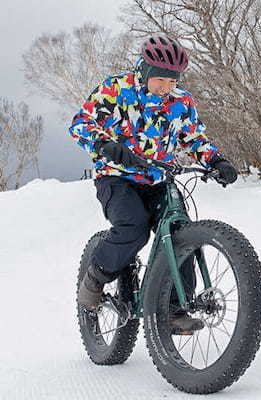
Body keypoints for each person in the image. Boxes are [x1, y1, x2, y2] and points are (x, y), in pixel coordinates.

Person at [69, 35, 237, 333]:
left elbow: (195, 138)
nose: (166, 88)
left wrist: (217, 161)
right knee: (133, 227)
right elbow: (81, 124)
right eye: (160, 80)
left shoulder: (181, 102)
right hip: (116, 177)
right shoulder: (116, 90)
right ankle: (96, 276)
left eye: (172, 81)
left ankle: (174, 308)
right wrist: (107, 146)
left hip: (159, 178)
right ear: (144, 71)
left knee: (179, 230)